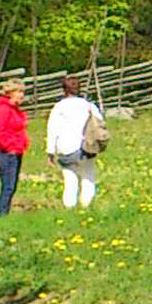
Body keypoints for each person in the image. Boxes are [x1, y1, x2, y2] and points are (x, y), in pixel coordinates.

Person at [46, 76, 106, 209]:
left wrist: (50, 151)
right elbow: (100, 122)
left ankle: (69, 205)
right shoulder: (88, 105)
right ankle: (86, 203)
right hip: (86, 146)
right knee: (88, 176)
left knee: (70, 179)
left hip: (66, 148)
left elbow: (52, 129)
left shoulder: (58, 107)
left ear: (64, 90)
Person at [0, 76, 31, 217]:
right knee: (8, 186)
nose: (21, 95)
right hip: (6, 153)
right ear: (10, 93)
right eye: (18, 91)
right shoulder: (3, 109)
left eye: (22, 91)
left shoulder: (14, 109)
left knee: (11, 186)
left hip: (15, 151)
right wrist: (9, 147)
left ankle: (3, 213)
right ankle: (1, 214)